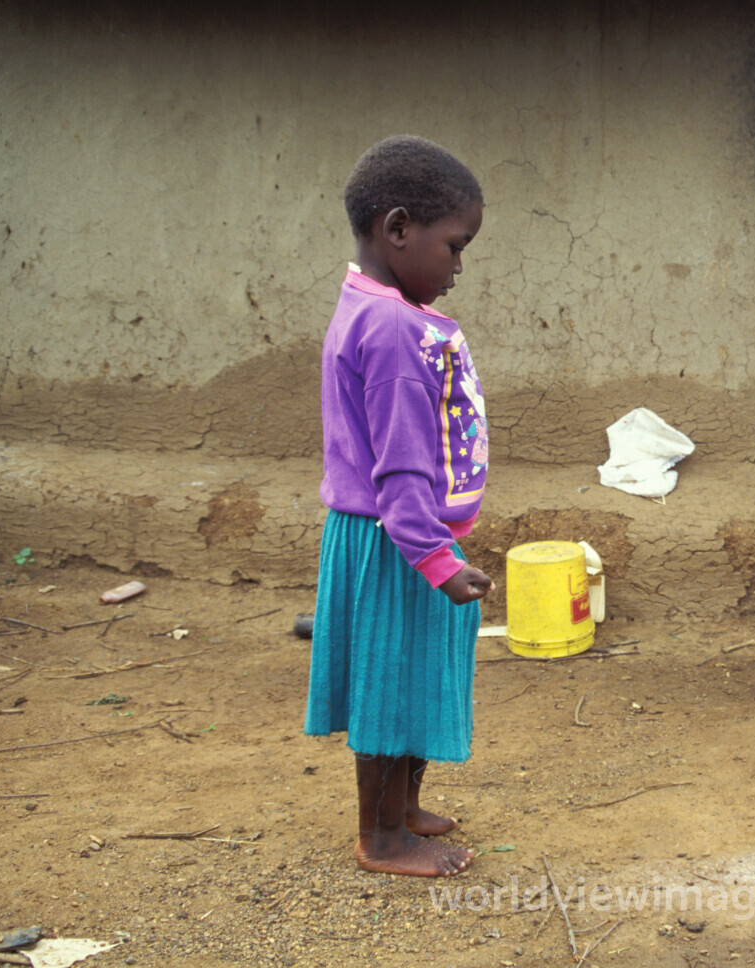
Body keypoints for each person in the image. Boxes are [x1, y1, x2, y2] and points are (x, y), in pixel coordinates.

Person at [305, 135, 494, 877]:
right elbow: (401, 469)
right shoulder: (390, 331)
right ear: (398, 229)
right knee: (390, 686)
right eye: (454, 246)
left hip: (404, 537)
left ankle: (403, 810)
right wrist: (438, 560)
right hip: (396, 541)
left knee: (412, 674)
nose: (457, 266)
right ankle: (380, 837)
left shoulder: (379, 309)